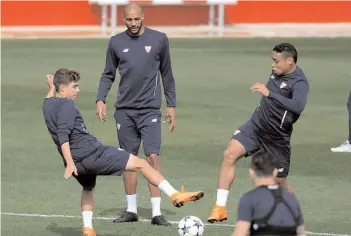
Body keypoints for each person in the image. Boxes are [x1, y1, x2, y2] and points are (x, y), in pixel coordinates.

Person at [42, 69, 204, 236]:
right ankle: (174, 194)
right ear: (62, 87)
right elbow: (63, 135)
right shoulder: (67, 104)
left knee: (88, 187)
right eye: (74, 87)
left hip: (78, 163)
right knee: (141, 164)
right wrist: (69, 163)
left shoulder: (47, 104)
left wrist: (51, 88)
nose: (77, 90)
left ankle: (88, 229)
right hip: (92, 154)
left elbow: (49, 98)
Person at [208, 43, 310, 223]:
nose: (273, 65)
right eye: (272, 60)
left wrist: (269, 93)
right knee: (229, 154)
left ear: (290, 61)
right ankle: (220, 208)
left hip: (277, 137)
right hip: (256, 126)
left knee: (279, 185)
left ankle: (295, 216)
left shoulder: (300, 82)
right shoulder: (278, 71)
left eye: (276, 61)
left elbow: (298, 106)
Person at [95, 2, 176, 226]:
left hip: (150, 109)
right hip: (124, 111)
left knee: (152, 157)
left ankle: (157, 213)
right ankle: (131, 210)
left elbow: (167, 74)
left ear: (143, 17)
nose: (133, 23)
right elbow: (107, 74)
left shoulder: (159, 39)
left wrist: (171, 104)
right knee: (128, 160)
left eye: (136, 19)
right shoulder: (116, 42)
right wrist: (101, 98)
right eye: (129, 19)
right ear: (124, 18)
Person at [232, 151, 306, 236]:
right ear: (275, 172)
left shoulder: (249, 199)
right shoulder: (291, 198)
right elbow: (301, 233)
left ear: (251, 173)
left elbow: (239, 233)